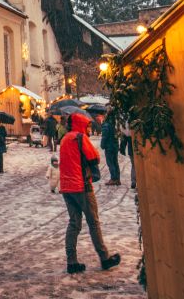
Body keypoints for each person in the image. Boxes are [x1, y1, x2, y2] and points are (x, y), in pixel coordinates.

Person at [59, 112, 121, 274]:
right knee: (93, 222)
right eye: (87, 125)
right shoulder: (80, 137)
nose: (88, 129)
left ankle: (71, 261)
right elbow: (94, 158)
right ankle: (104, 257)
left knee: (74, 223)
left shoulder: (65, 139)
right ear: (80, 125)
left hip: (66, 187)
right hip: (82, 186)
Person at [100, 116, 121, 185]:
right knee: (115, 162)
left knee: (110, 163)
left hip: (109, 147)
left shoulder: (106, 125)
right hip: (115, 146)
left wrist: (102, 145)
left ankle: (113, 179)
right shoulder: (115, 124)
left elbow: (104, 136)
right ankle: (117, 179)